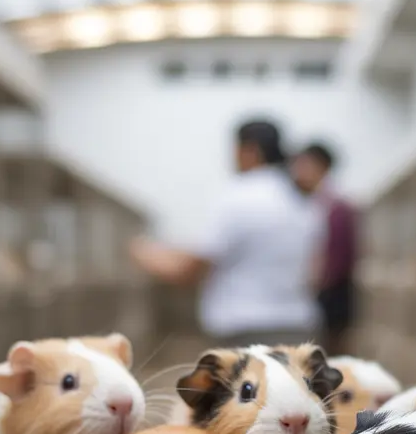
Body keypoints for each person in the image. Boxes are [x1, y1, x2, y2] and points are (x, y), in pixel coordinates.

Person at [129, 118, 320, 347]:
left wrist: (143, 252)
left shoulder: (237, 196)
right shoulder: (303, 202)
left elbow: (189, 271)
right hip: (298, 328)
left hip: (243, 332)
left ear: (249, 151)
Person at [292, 142, 358, 356]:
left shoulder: (335, 207)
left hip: (331, 294)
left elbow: (340, 259)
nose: (298, 171)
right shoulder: (307, 204)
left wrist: (318, 283)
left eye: (305, 165)